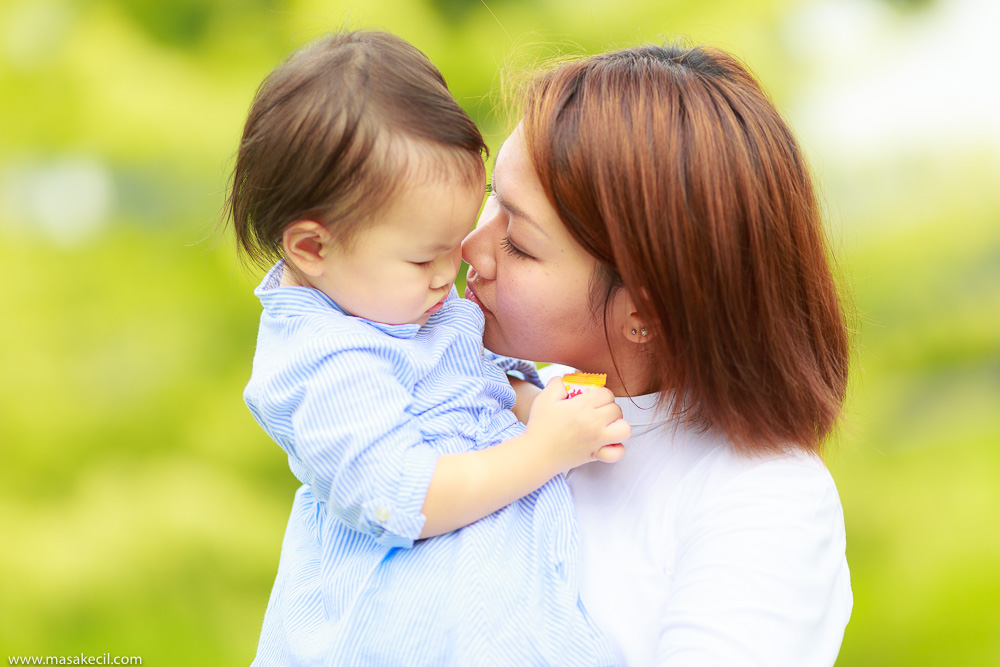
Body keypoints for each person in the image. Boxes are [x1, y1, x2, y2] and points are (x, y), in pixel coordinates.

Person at [225, 31, 629, 666]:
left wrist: (538, 403)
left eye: (457, 237)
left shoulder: (407, 307)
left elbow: (478, 379)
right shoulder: (329, 360)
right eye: (423, 256)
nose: (456, 267)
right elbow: (397, 493)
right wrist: (544, 448)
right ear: (311, 248)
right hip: (387, 637)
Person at [462, 42, 854, 666]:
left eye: (519, 242)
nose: (469, 248)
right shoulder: (491, 396)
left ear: (646, 312)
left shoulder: (761, 499)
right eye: (493, 198)